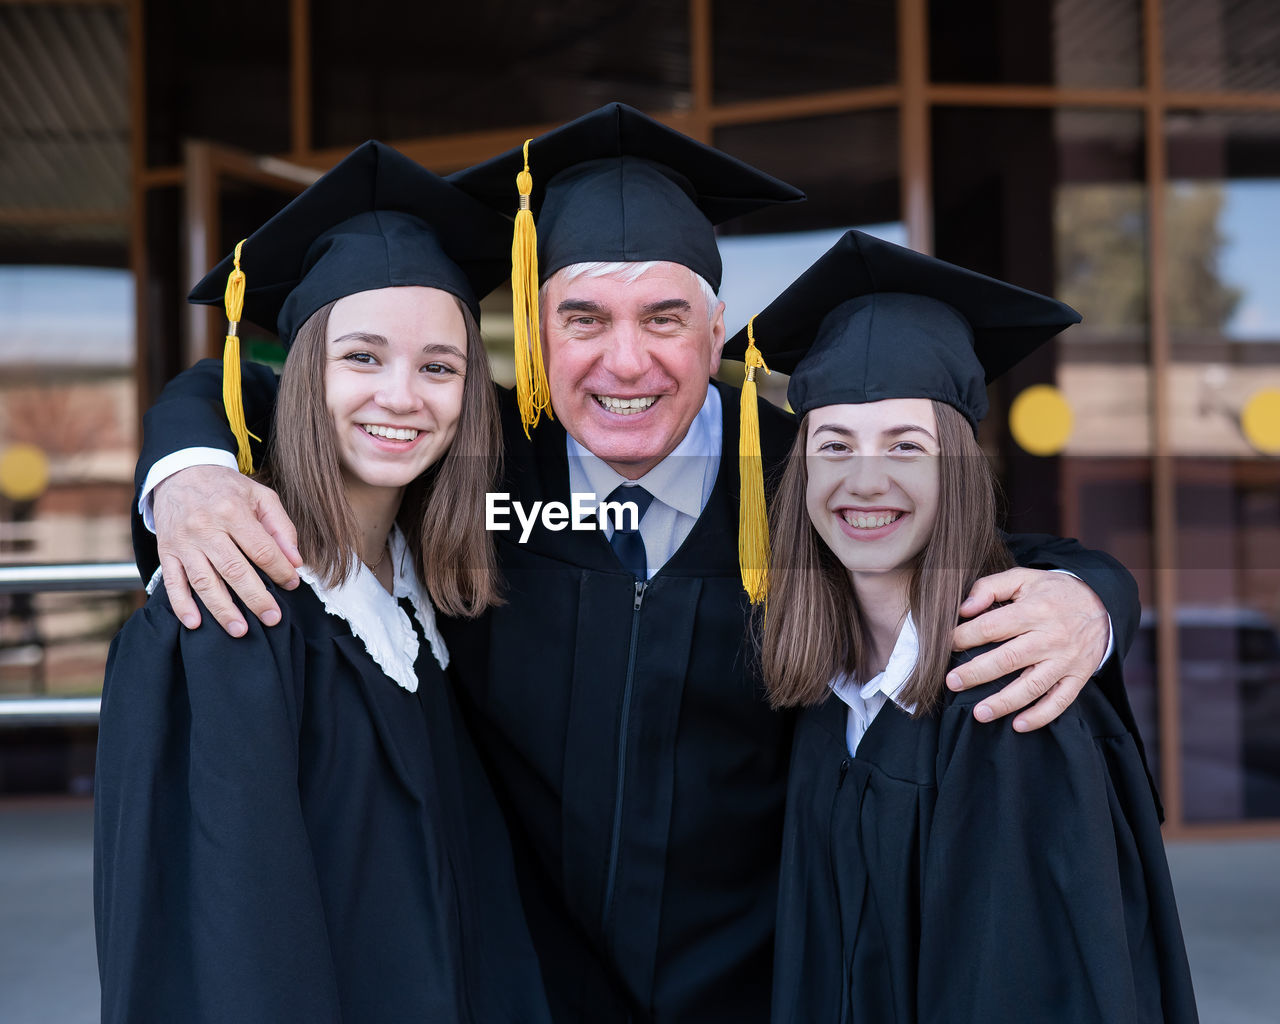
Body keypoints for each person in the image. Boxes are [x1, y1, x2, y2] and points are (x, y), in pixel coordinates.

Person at [128, 106, 1137, 1022]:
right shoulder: (477, 479)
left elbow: (982, 544)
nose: (625, 363)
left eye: (663, 317)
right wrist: (184, 473)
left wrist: (1091, 600)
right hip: (528, 986)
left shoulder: (797, 481)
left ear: (715, 330)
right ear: (533, 333)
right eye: (583, 319)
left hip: (754, 991)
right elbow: (281, 400)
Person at [94, 141, 552, 1024]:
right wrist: (184, 466)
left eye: (440, 367)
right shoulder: (231, 608)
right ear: (302, 375)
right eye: (362, 358)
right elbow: (221, 956)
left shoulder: (427, 596)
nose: (403, 396)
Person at [734, 229, 1196, 1023]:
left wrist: (1094, 600)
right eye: (834, 444)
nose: (864, 479)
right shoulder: (829, 686)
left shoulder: (1008, 694)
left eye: (906, 447)